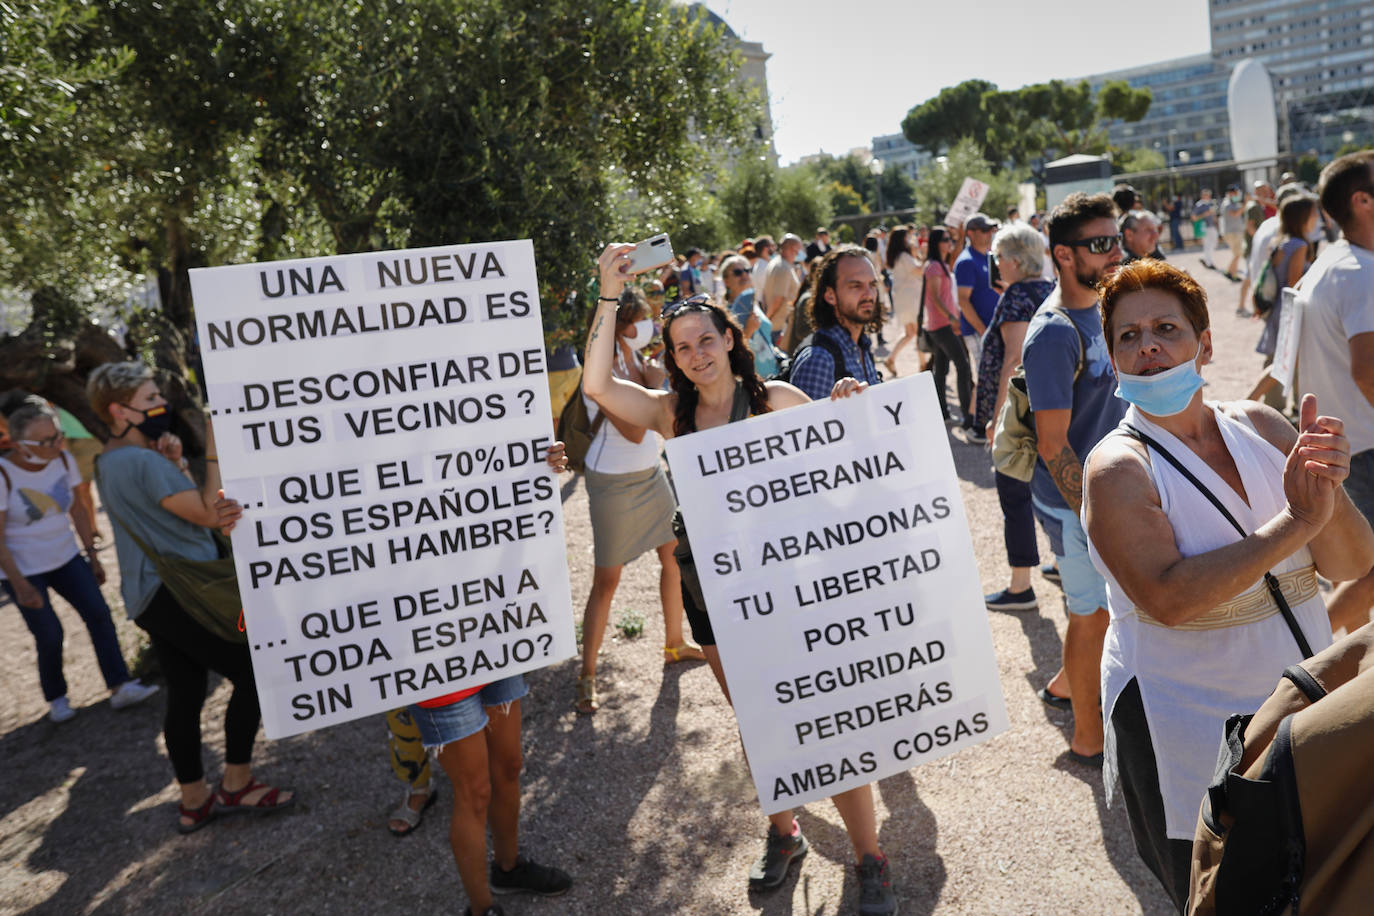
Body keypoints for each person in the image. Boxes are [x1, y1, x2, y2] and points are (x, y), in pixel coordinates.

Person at [581, 243, 897, 915]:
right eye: (682, 347)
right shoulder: (670, 414)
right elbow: (599, 387)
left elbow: (846, 461)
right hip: (712, 585)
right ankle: (785, 833)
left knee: (829, 716)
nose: (696, 354)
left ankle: (870, 857)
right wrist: (608, 293)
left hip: (790, 579)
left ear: (729, 339)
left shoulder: (775, 399)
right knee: (757, 717)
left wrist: (848, 405)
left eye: (706, 339)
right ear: (673, 359)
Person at [1083, 259, 1374, 910]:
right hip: (1186, 718)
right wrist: (1297, 521)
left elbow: (1353, 564)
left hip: (1301, 705)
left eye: (1166, 328)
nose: (1148, 345)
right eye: (1128, 336)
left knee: (1320, 877)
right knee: (1222, 889)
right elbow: (1170, 599)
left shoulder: (1262, 427)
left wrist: (1328, 490)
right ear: (1113, 360)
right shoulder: (1118, 467)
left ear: (1205, 344)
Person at [87, 361, 293, 834]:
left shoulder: (110, 460)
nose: (161, 404)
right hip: (182, 589)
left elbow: (163, 512)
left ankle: (194, 799)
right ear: (118, 410)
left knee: (185, 693)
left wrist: (176, 463)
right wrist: (213, 446)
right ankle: (237, 783)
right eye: (149, 399)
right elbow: (208, 513)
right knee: (255, 673)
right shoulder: (140, 461)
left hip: (149, 595)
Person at [1022, 192, 1126, 762]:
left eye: (1118, 239)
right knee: (1092, 615)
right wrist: (1096, 516)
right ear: (1064, 254)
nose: (1117, 253)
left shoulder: (1106, 305)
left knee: (1101, 609)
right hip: (1074, 503)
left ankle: (1067, 684)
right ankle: (1088, 738)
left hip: (1107, 491)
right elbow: (1053, 443)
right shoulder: (1054, 333)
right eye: (1101, 244)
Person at [576, 287, 702, 714]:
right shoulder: (601, 369)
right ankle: (587, 674)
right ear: (620, 325)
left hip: (650, 473)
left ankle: (674, 643)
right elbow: (633, 431)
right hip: (612, 482)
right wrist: (653, 385)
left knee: (674, 557)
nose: (647, 326)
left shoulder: (636, 358)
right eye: (640, 320)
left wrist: (656, 379)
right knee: (606, 581)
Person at [0, 393, 159, 723]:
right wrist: (18, 583)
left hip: (66, 557)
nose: (56, 445)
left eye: (58, 436)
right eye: (46, 441)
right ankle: (56, 697)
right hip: (23, 569)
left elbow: (78, 510)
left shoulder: (63, 459)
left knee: (99, 615)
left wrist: (92, 555)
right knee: (49, 634)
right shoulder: (4, 476)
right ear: (18, 445)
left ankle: (120, 685)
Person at [1296, 150, 1374, 635]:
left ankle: (1338, 661)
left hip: (1342, 440)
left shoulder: (1332, 263)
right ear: (1363, 201)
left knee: (1359, 567)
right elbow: (1368, 370)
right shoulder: (1361, 272)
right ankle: (1305, 658)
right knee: (1368, 574)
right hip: (1364, 444)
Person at [976, 225, 1055, 611]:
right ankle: (1062, 562)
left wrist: (997, 420)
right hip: (1049, 406)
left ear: (1016, 260)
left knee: (1014, 491)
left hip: (1021, 413)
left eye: (999, 257)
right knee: (1049, 487)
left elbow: (1013, 360)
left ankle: (1021, 585)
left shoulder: (1017, 296)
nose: (996, 264)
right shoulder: (1049, 290)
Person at [788, 246, 885, 401]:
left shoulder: (861, 345)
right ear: (830, 296)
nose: (869, 294)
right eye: (856, 285)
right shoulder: (819, 360)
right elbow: (807, 416)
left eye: (872, 285)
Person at [1254, 194, 1317, 392]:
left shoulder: (1280, 242)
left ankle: (1269, 405)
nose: (1316, 218)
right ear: (1302, 217)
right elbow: (1294, 284)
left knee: (1276, 359)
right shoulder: (1299, 245)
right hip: (1291, 311)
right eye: (1313, 213)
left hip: (1277, 308)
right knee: (1286, 364)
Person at [921, 228, 977, 436]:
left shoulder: (942, 265)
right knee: (962, 366)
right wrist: (952, 318)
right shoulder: (934, 266)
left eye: (950, 239)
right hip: (941, 325)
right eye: (946, 239)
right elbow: (935, 297)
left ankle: (943, 412)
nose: (949, 242)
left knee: (941, 370)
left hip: (941, 324)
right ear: (936, 243)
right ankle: (967, 416)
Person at [720, 253, 782, 380]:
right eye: (738, 272)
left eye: (747, 270)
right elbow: (728, 353)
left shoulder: (754, 303)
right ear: (726, 281)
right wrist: (748, 331)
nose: (744, 275)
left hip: (774, 372)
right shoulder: (724, 314)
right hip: (753, 379)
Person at [955, 213, 1001, 371]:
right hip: (978, 331)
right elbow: (963, 300)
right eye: (984, 230)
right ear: (970, 233)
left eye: (990, 230)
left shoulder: (988, 257)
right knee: (987, 375)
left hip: (990, 329)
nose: (989, 234)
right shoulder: (967, 261)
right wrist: (983, 331)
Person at [880, 226, 923, 377]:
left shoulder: (899, 256)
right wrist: (924, 256)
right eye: (908, 237)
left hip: (903, 298)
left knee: (910, 333)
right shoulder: (904, 256)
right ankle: (923, 364)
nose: (911, 239)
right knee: (917, 332)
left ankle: (891, 359)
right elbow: (919, 271)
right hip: (910, 298)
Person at [763, 234, 804, 349]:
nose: (800, 252)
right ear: (793, 248)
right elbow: (778, 298)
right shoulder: (783, 268)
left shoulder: (778, 263)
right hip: (780, 327)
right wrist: (767, 319)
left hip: (777, 325)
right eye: (799, 248)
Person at [1220, 184, 1247, 280]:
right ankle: (1230, 273)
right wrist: (1245, 204)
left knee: (1237, 254)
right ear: (1230, 193)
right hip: (1232, 233)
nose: (1237, 194)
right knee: (1237, 254)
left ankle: (1231, 273)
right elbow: (1235, 214)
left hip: (1236, 232)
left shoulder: (1233, 203)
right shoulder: (1227, 204)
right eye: (1235, 192)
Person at [1193, 188, 1219, 269]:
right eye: (1206, 195)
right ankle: (1209, 262)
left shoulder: (1210, 204)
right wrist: (1205, 214)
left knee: (1214, 243)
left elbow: (1213, 215)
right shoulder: (1199, 205)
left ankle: (1204, 258)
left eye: (1209, 195)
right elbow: (1194, 218)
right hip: (1204, 227)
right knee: (1208, 244)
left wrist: (1216, 221)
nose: (1208, 196)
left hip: (1212, 226)